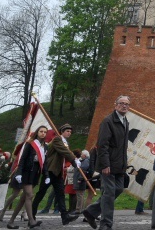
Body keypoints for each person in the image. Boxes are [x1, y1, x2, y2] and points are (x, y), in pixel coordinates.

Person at [83, 95, 130, 230]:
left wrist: (124, 163)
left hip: (120, 165)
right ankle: (106, 224)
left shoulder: (126, 122)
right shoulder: (108, 121)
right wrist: (105, 164)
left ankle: (91, 211)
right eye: (121, 103)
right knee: (109, 194)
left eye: (127, 104)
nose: (124, 106)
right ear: (115, 105)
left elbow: (123, 147)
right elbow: (102, 145)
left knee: (119, 189)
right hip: (108, 165)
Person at [30, 123, 80, 226]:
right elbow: (64, 151)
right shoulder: (58, 140)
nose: (69, 133)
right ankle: (32, 216)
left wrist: (72, 161)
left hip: (58, 172)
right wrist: (73, 159)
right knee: (41, 193)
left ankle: (65, 217)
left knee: (60, 194)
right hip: (50, 170)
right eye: (67, 131)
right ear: (62, 132)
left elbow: (65, 153)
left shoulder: (65, 142)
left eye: (70, 132)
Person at [6, 126, 49, 229]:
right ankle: (32, 220)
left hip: (35, 174)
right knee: (29, 195)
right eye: (41, 131)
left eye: (45, 132)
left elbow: (45, 163)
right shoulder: (30, 144)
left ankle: (11, 222)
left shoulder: (45, 146)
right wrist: (19, 173)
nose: (43, 133)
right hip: (26, 172)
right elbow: (22, 159)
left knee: (23, 200)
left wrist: (46, 175)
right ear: (37, 132)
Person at [74, 150, 91, 214]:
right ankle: (79, 208)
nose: (81, 155)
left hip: (80, 180)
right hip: (79, 179)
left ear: (85, 155)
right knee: (80, 195)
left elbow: (83, 170)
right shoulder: (83, 161)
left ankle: (79, 209)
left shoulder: (85, 161)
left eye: (82, 154)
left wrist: (80, 178)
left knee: (80, 195)